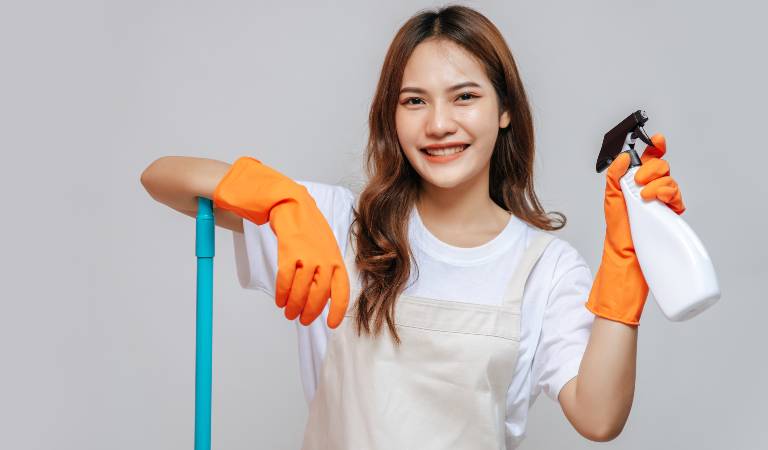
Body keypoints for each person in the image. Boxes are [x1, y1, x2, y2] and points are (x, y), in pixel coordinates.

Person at [140, 5, 685, 449]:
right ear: (391, 116)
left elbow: (598, 416)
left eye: (465, 96)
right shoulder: (336, 224)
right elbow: (161, 177)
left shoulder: (545, 267)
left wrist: (625, 264)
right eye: (414, 101)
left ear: (505, 109)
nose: (439, 124)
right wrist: (281, 200)